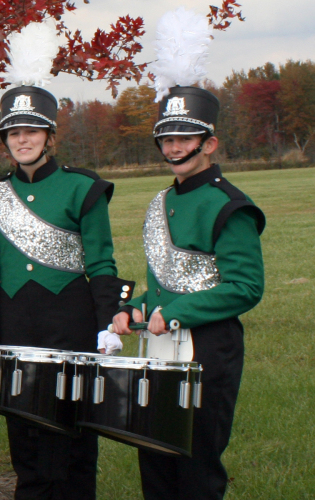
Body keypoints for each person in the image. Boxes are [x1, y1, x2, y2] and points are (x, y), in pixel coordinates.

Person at [0, 24, 135, 499]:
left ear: (50, 135)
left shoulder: (84, 188)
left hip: (73, 325)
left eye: (31, 130)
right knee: (26, 441)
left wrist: (106, 325)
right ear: (5, 140)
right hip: (15, 327)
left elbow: (102, 262)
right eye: (13, 132)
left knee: (75, 440)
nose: (23, 140)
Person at [111, 85, 265, 500]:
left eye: (184, 137)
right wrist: (132, 308)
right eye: (167, 138)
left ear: (209, 143)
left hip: (208, 348)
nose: (174, 146)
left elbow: (246, 288)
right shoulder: (160, 201)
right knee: (155, 459)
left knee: (196, 467)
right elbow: (164, 283)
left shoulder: (229, 205)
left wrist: (177, 313)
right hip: (158, 347)